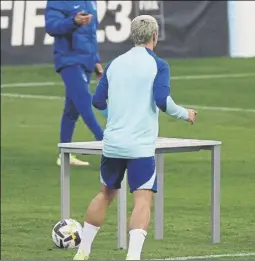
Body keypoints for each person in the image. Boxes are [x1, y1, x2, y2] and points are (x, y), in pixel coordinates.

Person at [72, 15, 198, 260]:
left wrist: (117, 112)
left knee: (105, 194)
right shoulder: (158, 65)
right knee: (143, 198)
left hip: (113, 144)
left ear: (133, 36)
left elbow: (98, 101)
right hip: (139, 146)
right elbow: (163, 101)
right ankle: (133, 257)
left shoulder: (115, 64)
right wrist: (186, 114)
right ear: (155, 36)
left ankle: (82, 251)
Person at [45, 1, 104, 166]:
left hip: (86, 60)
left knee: (72, 110)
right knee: (84, 100)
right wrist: (73, 22)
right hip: (69, 59)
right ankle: (106, 142)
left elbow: (90, 34)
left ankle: (64, 155)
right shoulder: (58, 2)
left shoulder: (90, 2)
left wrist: (96, 61)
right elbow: (51, 26)